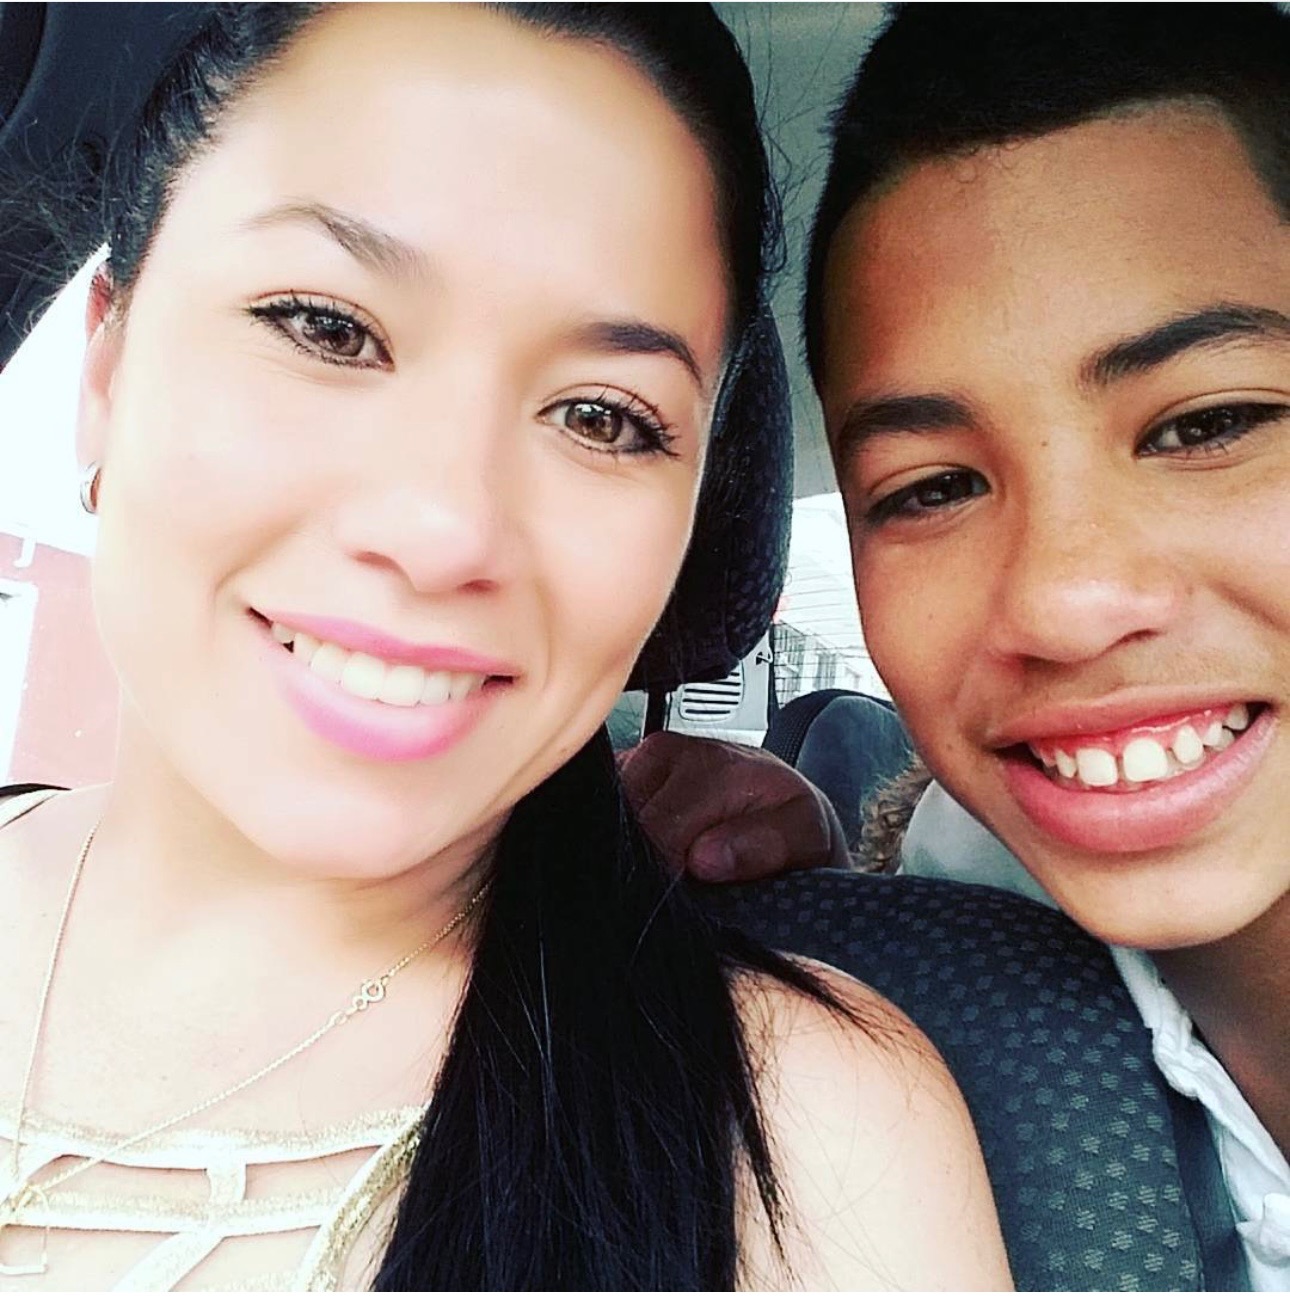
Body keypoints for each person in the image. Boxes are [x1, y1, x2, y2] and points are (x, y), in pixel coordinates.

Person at [0, 3, 1012, 1291]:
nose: (444, 530)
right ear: (105, 368)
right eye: (325, 327)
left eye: (602, 417)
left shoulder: (812, 1147)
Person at [623, 2, 1289, 1288]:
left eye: (1207, 424)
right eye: (930, 488)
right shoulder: (928, 954)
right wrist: (831, 909)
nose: (1063, 601)